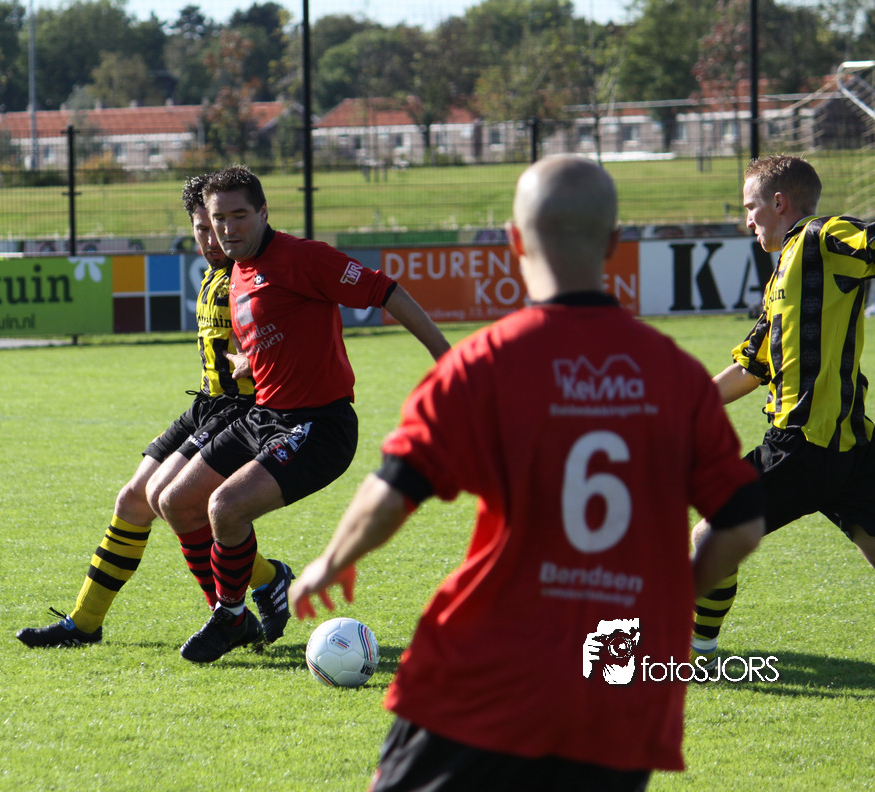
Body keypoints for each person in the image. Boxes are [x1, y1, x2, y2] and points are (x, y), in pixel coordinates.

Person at [289, 156, 766, 791]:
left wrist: (332, 560)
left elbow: (393, 489)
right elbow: (740, 526)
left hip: (488, 667)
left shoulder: (486, 363)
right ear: (614, 242)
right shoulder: (674, 375)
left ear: (514, 240)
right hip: (617, 679)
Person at [157, 164, 451, 664]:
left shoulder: (303, 258)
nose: (228, 228)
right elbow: (278, 336)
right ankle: (238, 610)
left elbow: (386, 291)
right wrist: (248, 363)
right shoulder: (239, 272)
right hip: (265, 415)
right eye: (218, 218)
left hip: (318, 425)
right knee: (176, 501)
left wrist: (446, 358)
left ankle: (230, 615)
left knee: (225, 508)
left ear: (264, 211)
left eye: (239, 215)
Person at [17, 174, 294, 649]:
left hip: (241, 411)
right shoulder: (214, 273)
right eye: (202, 229)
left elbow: (288, 335)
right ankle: (85, 622)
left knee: (178, 505)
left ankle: (239, 608)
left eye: (218, 226)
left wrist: (258, 360)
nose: (213, 238)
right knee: (132, 501)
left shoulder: (255, 276)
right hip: (206, 404)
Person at [690, 155, 875, 658]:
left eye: (750, 207)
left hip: (801, 445)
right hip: (850, 445)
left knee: (712, 532)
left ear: (779, 202)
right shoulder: (783, 275)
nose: (747, 220)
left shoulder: (819, 237)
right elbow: (752, 367)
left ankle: (698, 649)